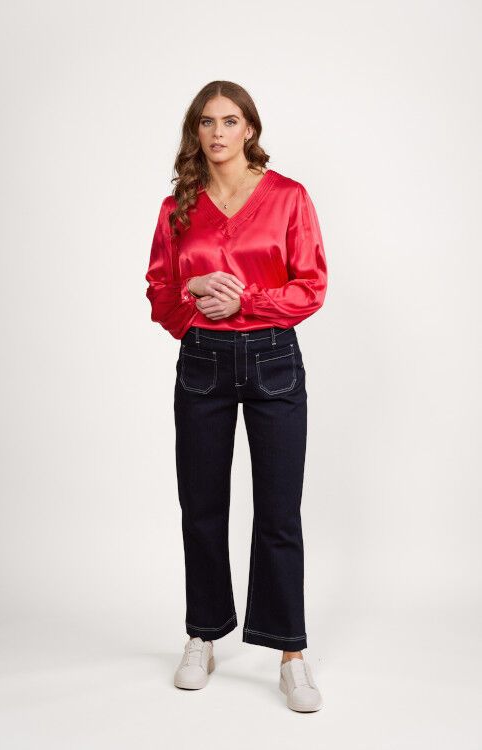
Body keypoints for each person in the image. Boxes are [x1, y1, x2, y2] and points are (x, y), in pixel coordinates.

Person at [144, 80, 328, 712]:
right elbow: (159, 292)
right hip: (203, 363)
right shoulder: (178, 207)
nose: (217, 132)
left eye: (229, 121)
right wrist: (194, 293)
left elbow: (311, 286)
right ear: (195, 132)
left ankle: (291, 654)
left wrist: (244, 300)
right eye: (206, 122)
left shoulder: (289, 198)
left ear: (250, 127)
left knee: (278, 511)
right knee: (201, 506)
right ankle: (202, 634)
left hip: (273, 360)